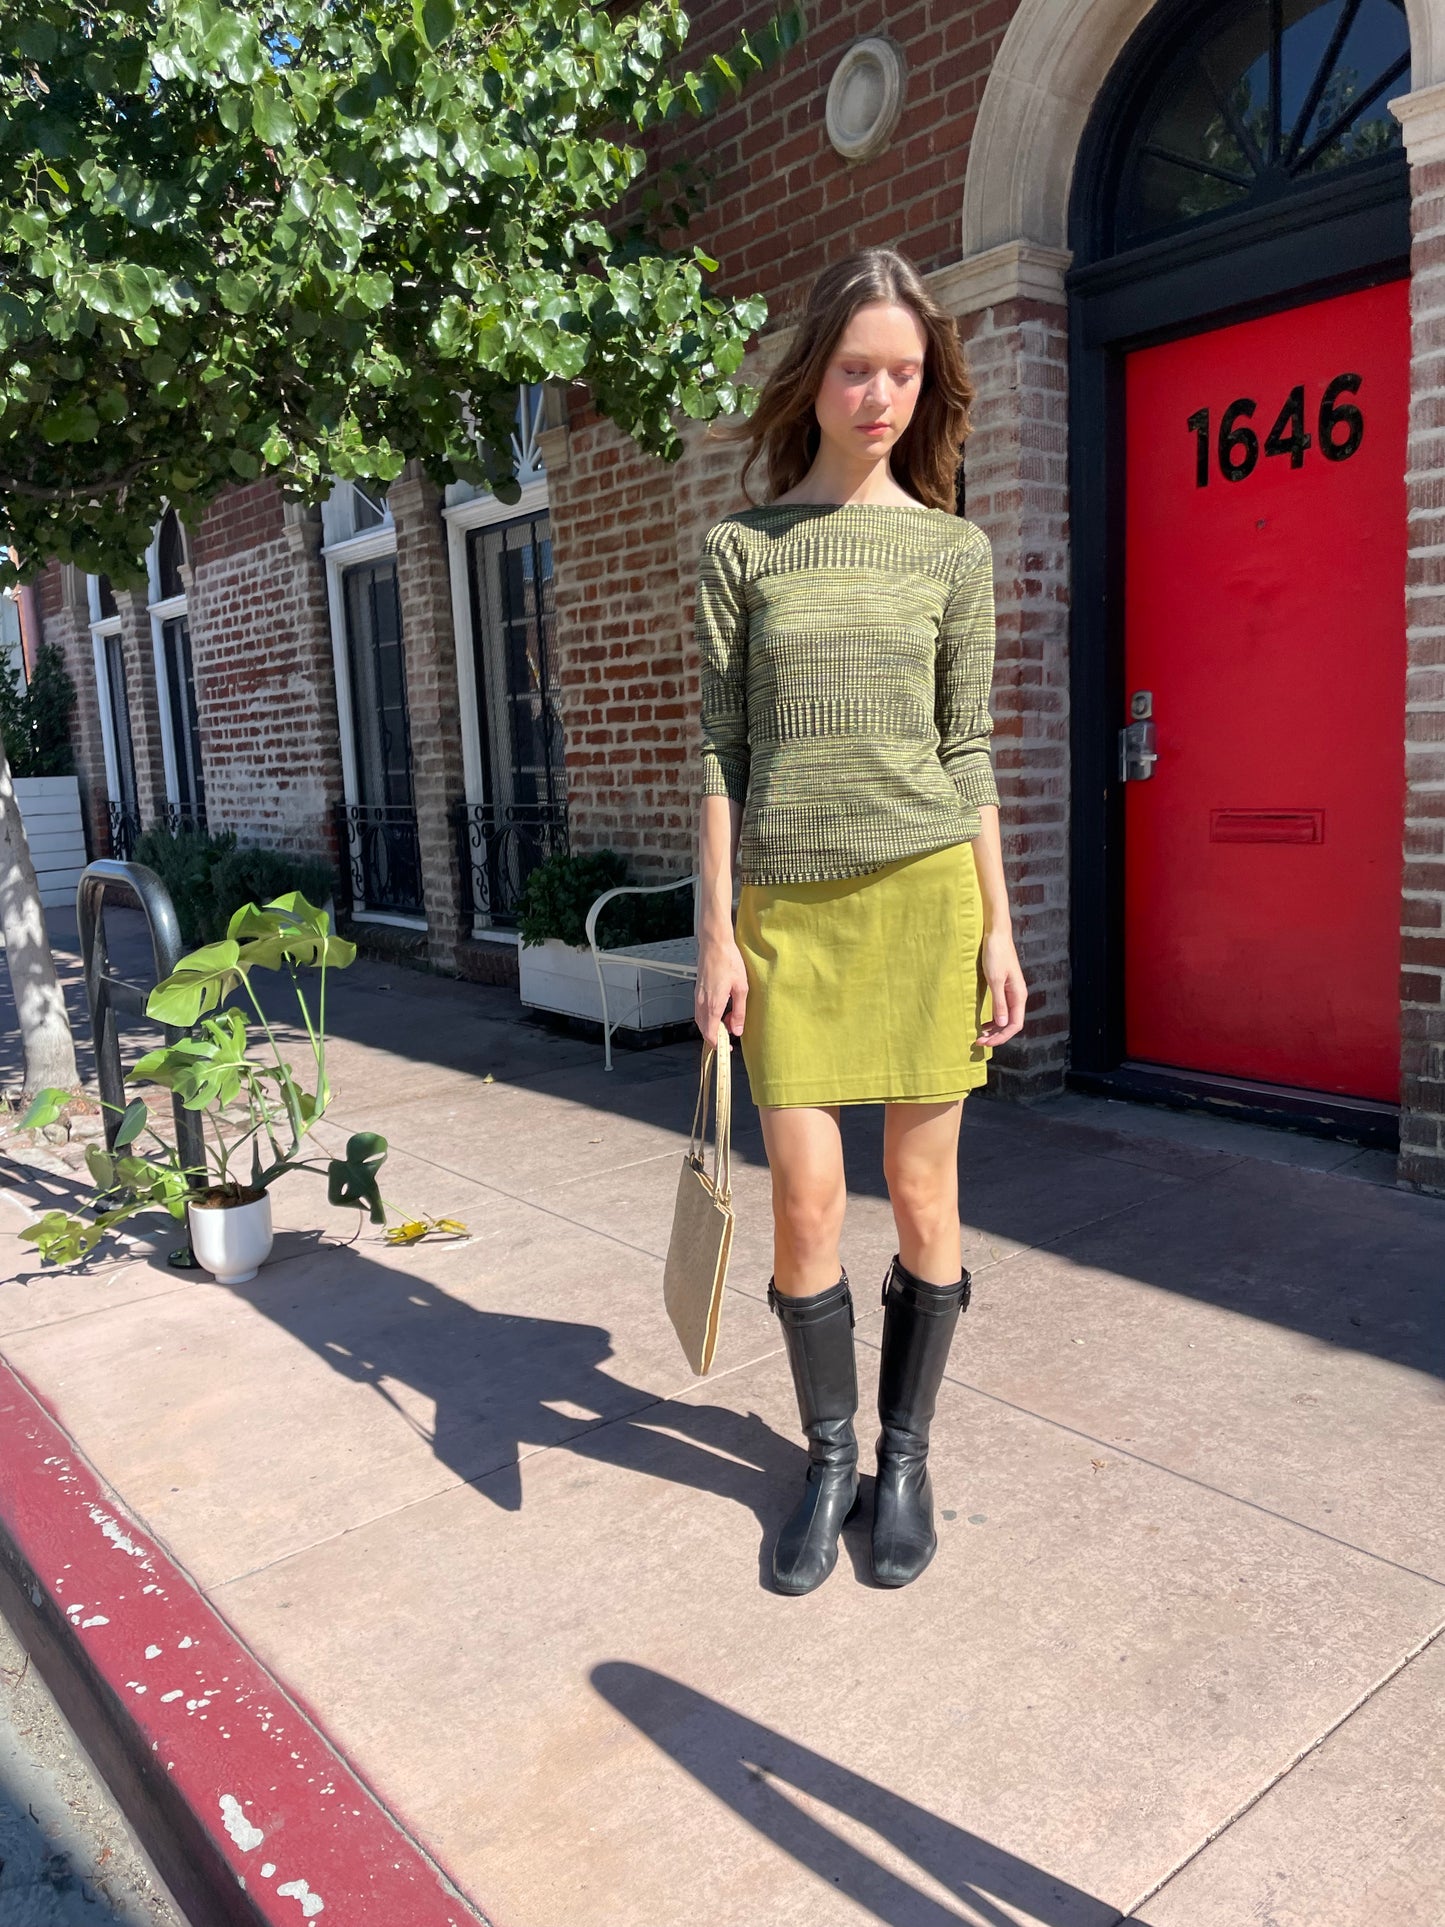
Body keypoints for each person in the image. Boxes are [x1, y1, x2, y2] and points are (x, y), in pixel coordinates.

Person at [692, 247, 1028, 1596]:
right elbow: (719, 749)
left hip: (923, 897)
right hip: (785, 915)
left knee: (926, 1192)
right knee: (807, 1206)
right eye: (855, 369)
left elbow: (969, 752)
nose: (879, 394)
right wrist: (715, 934)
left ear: (923, 379)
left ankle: (907, 1455)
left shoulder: (952, 551)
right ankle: (827, 1454)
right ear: (812, 376)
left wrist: (998, 930)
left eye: (902, 371)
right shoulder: (743, 549)